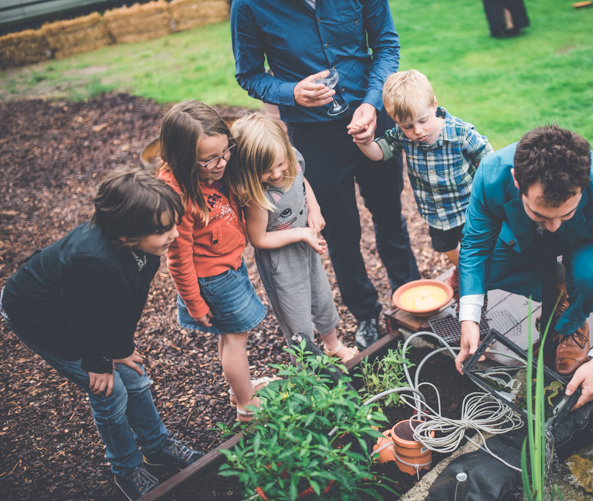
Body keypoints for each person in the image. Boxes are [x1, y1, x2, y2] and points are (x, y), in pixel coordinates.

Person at [0, 168, 204, 501]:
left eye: (173, 224)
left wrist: (121, 348)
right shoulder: (92, 261)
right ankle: (126, 467)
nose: (174, 234)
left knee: (134, 376)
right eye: (163, 229)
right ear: (124, 235)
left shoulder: (147, 247)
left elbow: (129, 300)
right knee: (111, 393)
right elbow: (87, 318)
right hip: (39, 315)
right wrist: (100, 361)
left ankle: (158, 446)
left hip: (80, 309)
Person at [230, 0, 421, 351]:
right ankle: (366, 314)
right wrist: (292, 92)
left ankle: (411, 299)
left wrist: (371, 102)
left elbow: (386, 46)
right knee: (340, 232)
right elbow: (249, 75)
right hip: (313, 136)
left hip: (372, 117)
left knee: (390, 216)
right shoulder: (249, 6)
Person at [454, 125, 593, 409]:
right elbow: (475, 247)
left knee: (591, 274)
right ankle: (557, 283)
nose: (555, 225)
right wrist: (469, 319)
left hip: (586, 242)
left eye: (566, 212)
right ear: (516, 182)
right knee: (482, 271)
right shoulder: (491, 174)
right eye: (541, 212)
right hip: (525, 237)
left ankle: (571, 319)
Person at [157, 101, 268, 422]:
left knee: (228, 335)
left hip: (227, 269)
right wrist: (194, 303)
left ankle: (238, 390)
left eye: (226, 152)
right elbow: (177, 261)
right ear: (183, 159)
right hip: (214, 280)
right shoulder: (178, 199)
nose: (221, 164)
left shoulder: (212, 173)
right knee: (236, 339)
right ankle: (247, 407)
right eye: (209, 160)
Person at [228, 113, 359, 366]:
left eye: (281, 164)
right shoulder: (258, 196)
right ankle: (307, 371)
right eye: (267, 171)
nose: (277, 174)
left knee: (322, 299)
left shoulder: (292, 159)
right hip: (282, 263)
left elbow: (302, 182)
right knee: (297, 318)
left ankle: (332, 346)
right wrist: (301, 233)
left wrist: (315, 208)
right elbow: (258, 239)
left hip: (306, 248)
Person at [356, 70, 493, 300]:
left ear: (434, 105)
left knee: (476, 249)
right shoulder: (402, 136)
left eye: (422, 121)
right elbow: (379, 152)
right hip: (437, 215)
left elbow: (488, 160)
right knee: (448, 248)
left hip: (469, 208)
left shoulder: (460, 133)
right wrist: (364, 142)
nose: (417, 131)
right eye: (408, 126)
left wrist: (490, 193)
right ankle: (465, 271)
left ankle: (474, 279)